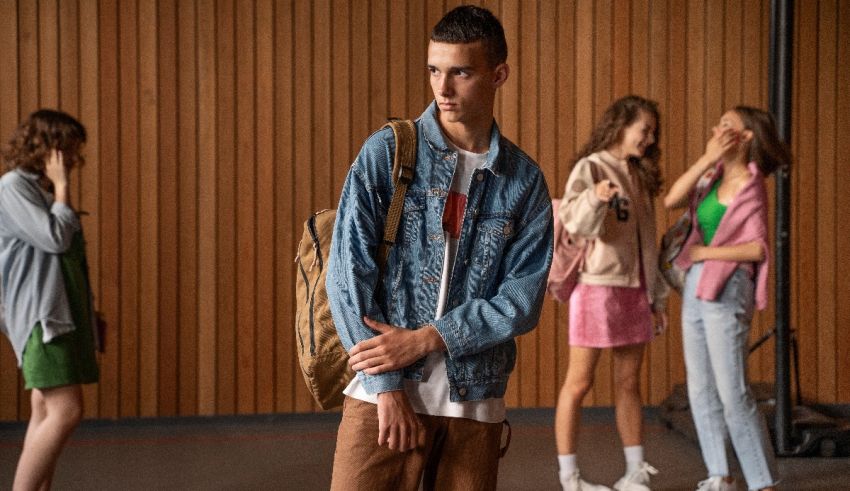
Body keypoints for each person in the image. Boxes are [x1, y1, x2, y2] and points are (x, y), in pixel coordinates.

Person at [325, 5, 553, 490]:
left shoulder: (524, 181)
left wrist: (428, 339)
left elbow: (522, 301)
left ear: (499, 75)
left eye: (460, 73)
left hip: (475, 401)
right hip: (381, 400)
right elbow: (347, 277)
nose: (442, 88)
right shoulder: (388, 153)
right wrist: (387, 389)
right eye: (434, 70)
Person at [663, 106, 786, 491]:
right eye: (719, 124)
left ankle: (763, 482)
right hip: (696, 285)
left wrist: (706, 253)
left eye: (727, 126)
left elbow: (757, 248)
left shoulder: (751, 185)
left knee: (733, 391)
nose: (717, 129)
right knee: (700, 387)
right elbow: (671, 200)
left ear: (745, 137)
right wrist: (707, 158)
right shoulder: (711, 176)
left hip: (730, 284)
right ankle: (720, 474)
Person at [554, 95, 668, 491]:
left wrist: (656, 297)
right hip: (597, 289)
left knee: (629, 382)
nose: (649, 139)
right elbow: (574, 223)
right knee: (579, 383)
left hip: (635, 290)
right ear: (621, 125)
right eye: (644, 130)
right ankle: (570, 478)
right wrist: (594, 197)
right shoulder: (592, 167)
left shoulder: (638, 174)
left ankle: (635, 472)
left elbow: (649, 242)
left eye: (653, 133)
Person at [0, 109, 99, 491]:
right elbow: (54, 239)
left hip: (61, 314)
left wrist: (88, 311)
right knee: (66, 410)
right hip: (41, 318)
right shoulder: (13, 187)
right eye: (69, 148)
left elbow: (67, 259)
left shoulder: (39, 190)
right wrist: (62, 188)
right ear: (48, 147)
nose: (74, 158)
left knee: (44, 411)